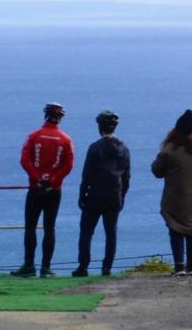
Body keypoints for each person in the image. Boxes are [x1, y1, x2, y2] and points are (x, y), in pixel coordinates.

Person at [12, 102, 74, 278]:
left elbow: (25, 160)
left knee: (30, 227)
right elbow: (68, 165)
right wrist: (53, 180)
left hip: (35, 188)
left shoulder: (33, 136)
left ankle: (29, 265)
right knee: (49, 228)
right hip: (54, 190)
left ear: (45, 116)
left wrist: (37, 179)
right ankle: (46, 268)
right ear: (60, 118)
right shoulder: (66, 140)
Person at [151, 109, 192, 275]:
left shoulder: (169, 150)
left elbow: (157, 171)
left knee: (175, 230)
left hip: (174, 198)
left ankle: (179, 266)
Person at [72, 109, 129, 277]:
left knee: (86, 231)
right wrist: (122, 195)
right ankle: (107, 267)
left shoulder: (95, 147)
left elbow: (87, 174)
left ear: (100, 127)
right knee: (111, 232)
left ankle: (83, 266)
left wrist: (82, 195)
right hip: (115, 195)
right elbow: (127, 176)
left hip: (96, 195)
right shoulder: (124, 148)